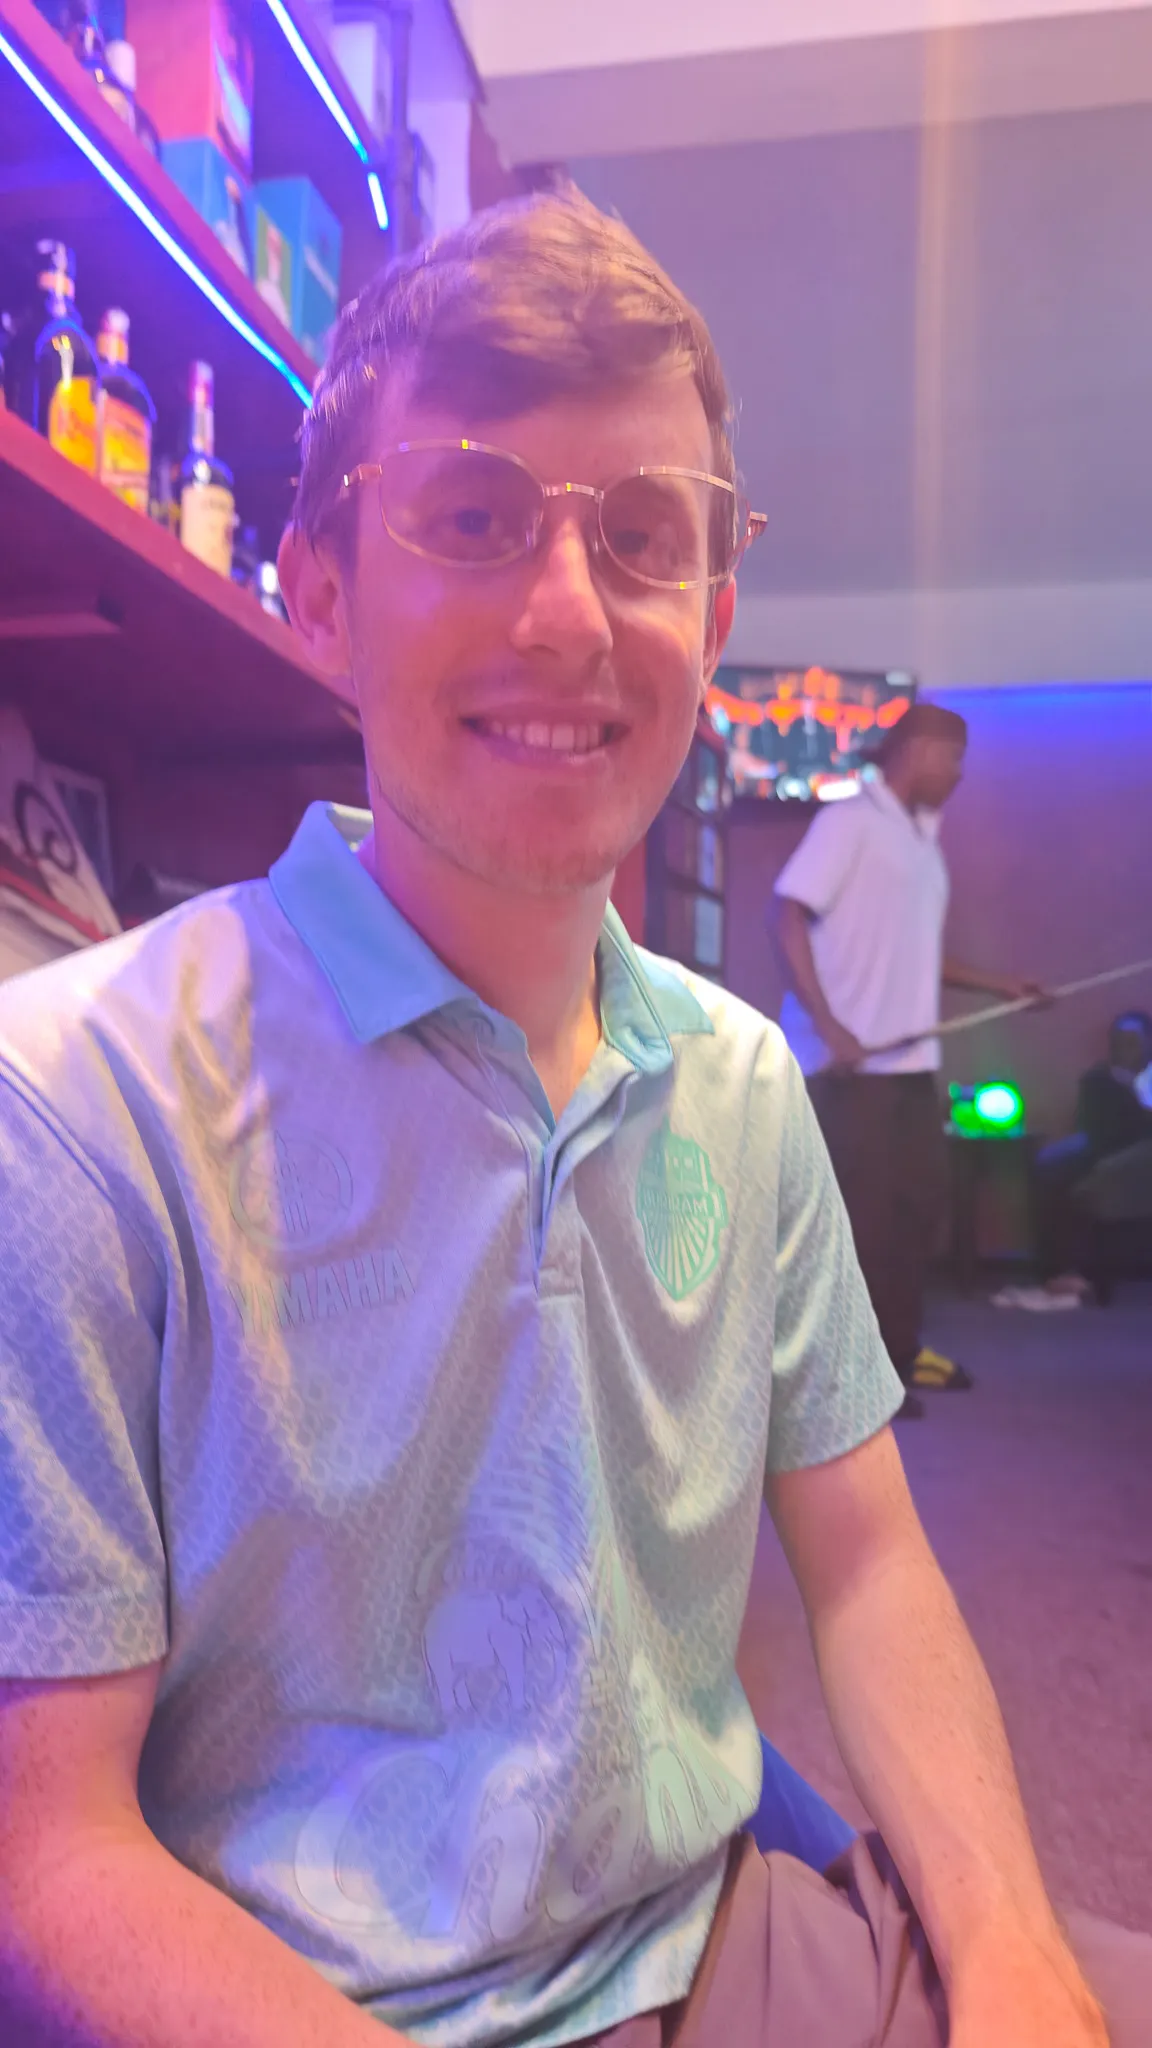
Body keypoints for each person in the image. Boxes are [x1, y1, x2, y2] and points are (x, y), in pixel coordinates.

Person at [0, 192, 1147, 2048]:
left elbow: (865, 1566)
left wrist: (1010, 1957)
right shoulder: (70, 1107)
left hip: (709, 1944)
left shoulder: (737, 1081)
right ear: (316, 581)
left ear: (710, 608)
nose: (566, 614)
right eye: (470, 518)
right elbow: (48, 1853)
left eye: (640, 538)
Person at [773, 702, 1045, 1414]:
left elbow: (916, 953)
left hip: (907, 1067)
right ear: (918, 750)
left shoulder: (923, 839)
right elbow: (790, 915)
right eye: (952, 757)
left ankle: (894, 1357)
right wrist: (831, 1027)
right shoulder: (849, 822)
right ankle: (851, 1381)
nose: (958, 774)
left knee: (918, 1213)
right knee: (862, 1226)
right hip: (848, 1073)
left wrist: (1002, 988)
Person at [998, 1010, 1152, 1310]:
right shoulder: (1099, 1077)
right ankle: (1054, 1271)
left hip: (1139, 1150)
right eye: (1118, 1041)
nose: (1124, 1048)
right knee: (1047, 1166)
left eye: (1132, 1041)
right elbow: (1089, 1121)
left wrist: (1130, 1090)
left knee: (1105, 1175)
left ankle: (1089, 1275)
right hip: (1100, 1141)